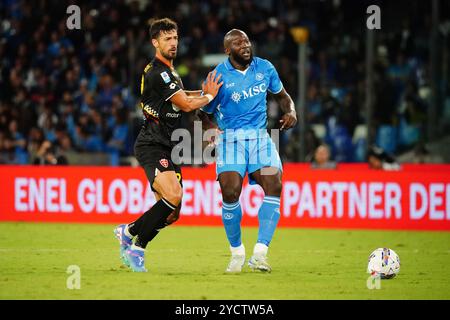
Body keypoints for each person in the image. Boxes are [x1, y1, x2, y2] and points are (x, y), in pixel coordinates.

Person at [114, 18, 222, 272]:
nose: (173, 43)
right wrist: (209, 96)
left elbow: (182, 98)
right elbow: (185, 105)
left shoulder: (170, 72)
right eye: (167, 39)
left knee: (172, 213)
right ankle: (137, 249)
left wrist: (204, 93)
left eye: (175, 38)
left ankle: (128, 231)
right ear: (155, 42)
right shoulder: (158, 72)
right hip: (152, 144)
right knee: (173, 195)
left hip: (167, 146)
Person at [199, 29, 297, 273]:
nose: (245, 45)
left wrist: (291, 111)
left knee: (275, 185)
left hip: (260, 137)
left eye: (246, 41)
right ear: (227, 50)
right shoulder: (217, 76)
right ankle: (237, 253)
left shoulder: (265, 68)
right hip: (231, 139)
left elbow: (283, 97)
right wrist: (210, 129)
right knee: (230, 191)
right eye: (238, 42)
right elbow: (202, 112)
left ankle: (260, 255)